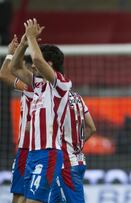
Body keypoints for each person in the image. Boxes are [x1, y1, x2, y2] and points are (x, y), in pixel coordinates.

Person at [10, 19, 71, 203]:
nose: (34, 66)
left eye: (40, 64)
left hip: (48, 153)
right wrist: (23, 43)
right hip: (32, 154)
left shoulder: (61, 84)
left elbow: (36, 59)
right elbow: (14, 67)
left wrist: (31, 37)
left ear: (49, 64)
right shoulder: (37, 85)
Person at [0, 35, 33, 203]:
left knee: (33, 197)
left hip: (40, 151)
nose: (19, 71)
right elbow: (5, 74)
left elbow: (5, 74)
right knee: (18, 195)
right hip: (24, 149)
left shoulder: (39, 86)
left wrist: (14, 52)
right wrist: (12, 53)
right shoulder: (28, 87)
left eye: (24, 67)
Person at [49, 90, 96, 203]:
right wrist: (77, 145)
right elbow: (92, 128)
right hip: (77, 161)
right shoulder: (78, 97)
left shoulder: (54, 98)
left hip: (66, 165)